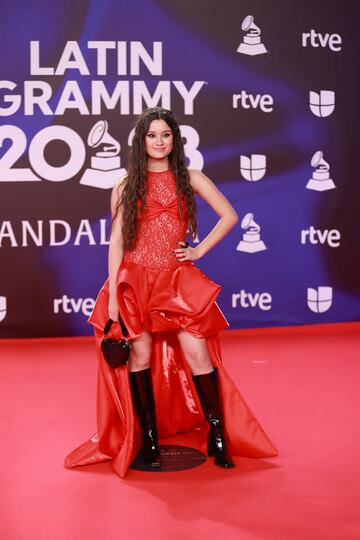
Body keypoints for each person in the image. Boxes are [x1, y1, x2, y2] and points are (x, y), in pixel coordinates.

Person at [65, 107, 278, 478]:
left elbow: (229, 215)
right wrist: (115, 294)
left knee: (197, 353)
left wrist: (197, 251)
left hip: (176, 280)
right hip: (135, 281)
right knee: (140, 355)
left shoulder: (191, 177)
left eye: (166, 135)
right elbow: (116, 242)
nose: (159, 142)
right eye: (152, 135)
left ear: (174, 140)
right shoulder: (125, 184)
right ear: (141, 141)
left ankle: (217, 435)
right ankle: (148, 439)